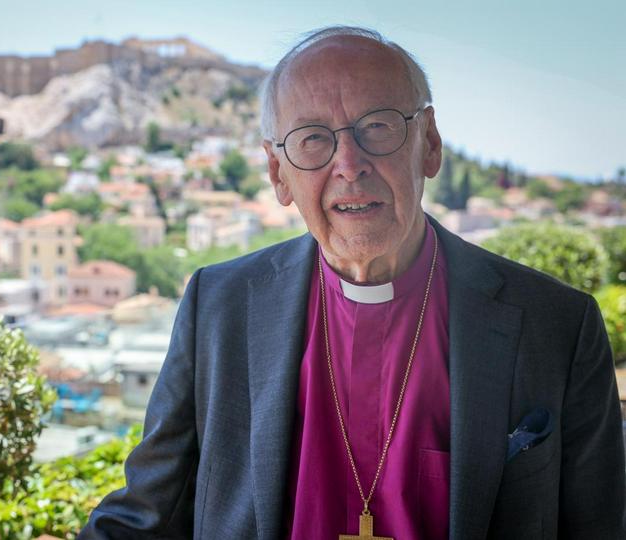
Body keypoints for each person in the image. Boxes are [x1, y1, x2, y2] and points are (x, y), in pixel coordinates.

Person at [78, 26, 625, 539]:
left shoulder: (558, 325)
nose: (348, 163)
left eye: (377, 127)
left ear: (429, 143)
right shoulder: (218, 306)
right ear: (278, 173)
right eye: (312, 139)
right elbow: (146, 515)